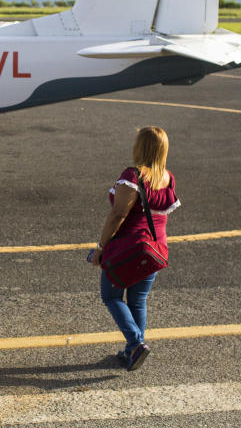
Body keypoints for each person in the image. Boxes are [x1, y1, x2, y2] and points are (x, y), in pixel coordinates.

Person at [90, 126, 179, 371]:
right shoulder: (167, 178)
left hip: (130, 249)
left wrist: (100, 248)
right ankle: (132, 352)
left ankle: (136, 343)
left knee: (111, 296)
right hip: (155, 249)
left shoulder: (133, 176)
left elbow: (118, 214)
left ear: (140, 147)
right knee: (138, 299)